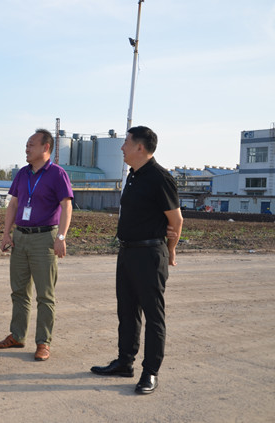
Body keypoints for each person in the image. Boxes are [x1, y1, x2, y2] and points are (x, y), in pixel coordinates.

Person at [90, 126, 183, 395]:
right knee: (127, 311)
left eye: (126, 143)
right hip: (128, 252)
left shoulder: (160, 178)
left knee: (153, 316)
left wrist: (170, 251)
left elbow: (176, 221)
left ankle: (150, 372)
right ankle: (124, 362)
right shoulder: (133, 175)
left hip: (149, 254)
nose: (122, 148)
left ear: (140, 147)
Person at [0, 129, 73, 361]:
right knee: (19, 291)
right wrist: (6, 233)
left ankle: (43, 342)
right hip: (21, 237)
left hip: (44, 238)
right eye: (26, 144)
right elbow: (13, 204)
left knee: (45, 295)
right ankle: (17, 336)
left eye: (31, 145)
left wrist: (61, 237)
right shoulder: (22, 173)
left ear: (46, 147)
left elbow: (66, 206)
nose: (26, 149)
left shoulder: (57, 174)